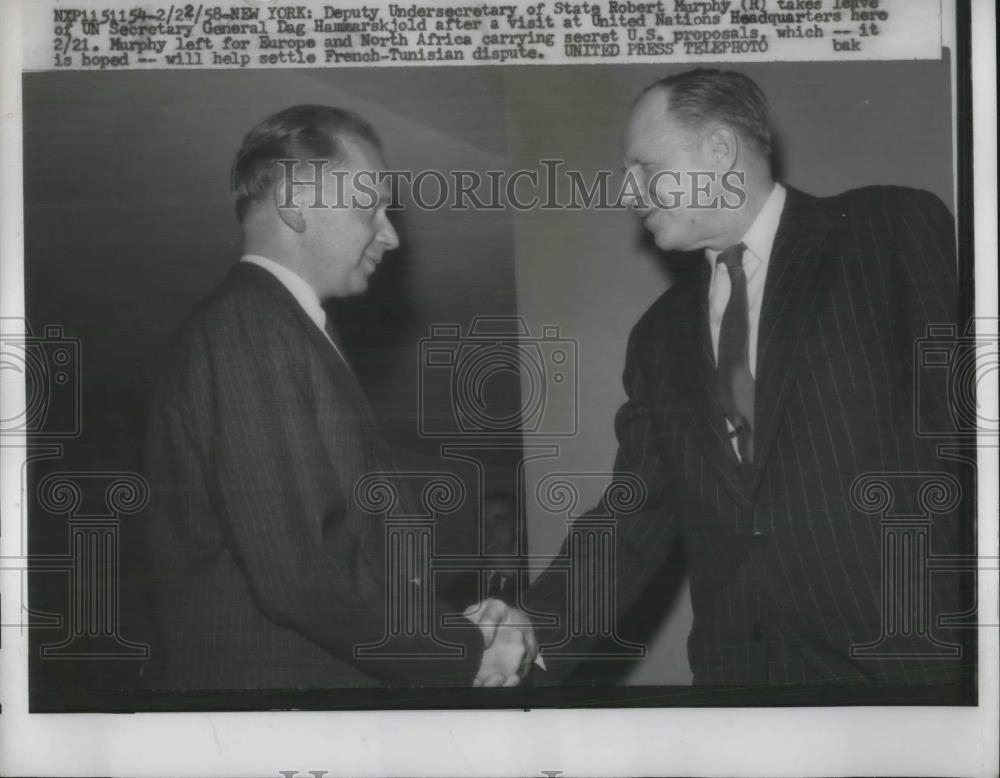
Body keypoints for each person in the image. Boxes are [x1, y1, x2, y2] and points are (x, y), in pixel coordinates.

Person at [478, 68, 968, 687]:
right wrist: (535, 621)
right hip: (743, 684)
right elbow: (635, 515)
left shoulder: (885, 229)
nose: (627, 194)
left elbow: (973, 429)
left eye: (644, 167)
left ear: (718, 149)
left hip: (913, 669)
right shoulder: (657, 336)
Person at [143, 105, 493, 689]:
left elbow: (344, 558)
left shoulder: (279, 328)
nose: (391, 234)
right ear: (296, 203)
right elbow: (302, 574)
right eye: (370, 206)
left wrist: (453, 625)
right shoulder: (252, 325)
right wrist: (466, 650)